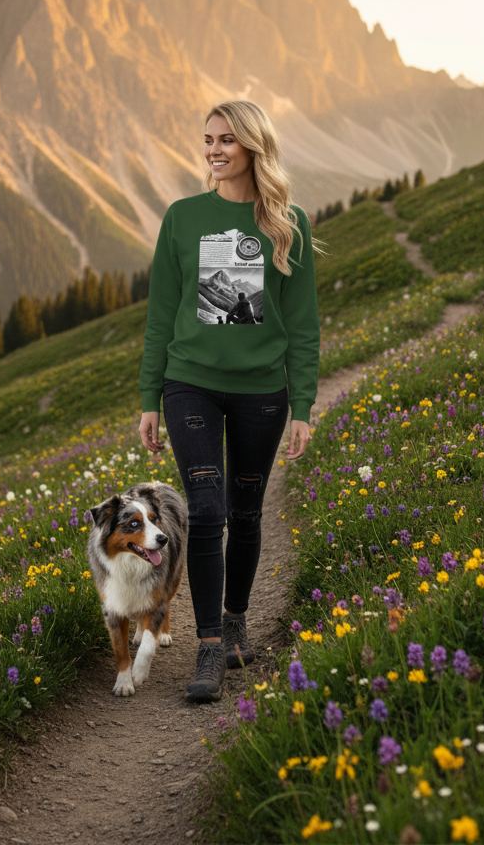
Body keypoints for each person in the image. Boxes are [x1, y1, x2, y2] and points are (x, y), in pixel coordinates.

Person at [138, 99, 320, 702]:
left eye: (226, 141)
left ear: (253, 149)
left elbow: (302, 323)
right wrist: (148, 395)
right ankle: (210, 644)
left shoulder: (287, 222)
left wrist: (303, 406)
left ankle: (238, 621)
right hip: (188, 382)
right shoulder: (183, 217)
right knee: (207, 509)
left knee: (245, 511)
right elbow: (162, 313)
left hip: (262, 393)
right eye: (208, 139)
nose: (213, 150)